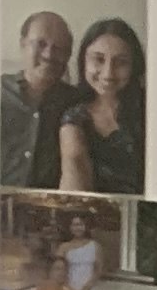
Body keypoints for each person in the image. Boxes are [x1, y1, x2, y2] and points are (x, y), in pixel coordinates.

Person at [57, 16, 146, 196]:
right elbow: (74, 173)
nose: (108, 74)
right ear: (83, 61)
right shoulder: (74, 118)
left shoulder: (151, 110)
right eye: (98, 59)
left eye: (121, 62)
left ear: (134, 66)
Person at [0, 7, 80, 191]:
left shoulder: (78, 103)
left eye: (59, 48)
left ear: (68, 56)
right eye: (41, 44)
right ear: (23, 44)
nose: (49, 55)